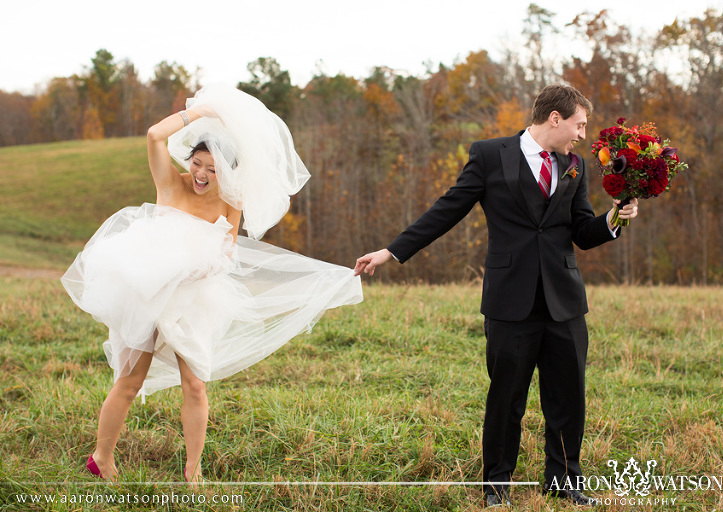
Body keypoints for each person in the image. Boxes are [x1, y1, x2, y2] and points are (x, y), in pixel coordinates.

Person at [62, 84, 363, 485]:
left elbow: (227, 251)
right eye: (198, 164)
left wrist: (202, 268)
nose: (202, 175)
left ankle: (193, 467)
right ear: (189, 160)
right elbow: (154, 135)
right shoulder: (171, 184)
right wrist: (200, 112)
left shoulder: (230, 201)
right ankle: (101, 456)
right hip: (149, 293)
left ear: (227, 172)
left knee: (196, 385)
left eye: (213, 169)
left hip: (194, 299)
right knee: (130, 381)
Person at [354, 85, 638, 507]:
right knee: (506, 397)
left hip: (565, 303)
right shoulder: (489, 155)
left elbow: (580, 232)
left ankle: (564, 483)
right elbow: (447, 209)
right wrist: (392, 251)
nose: (582, 134)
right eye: (579, 124)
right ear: (555, 118)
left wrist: (614, 218)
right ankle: (496, 486)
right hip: (510, 302)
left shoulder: (576, 166)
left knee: (568, 398)